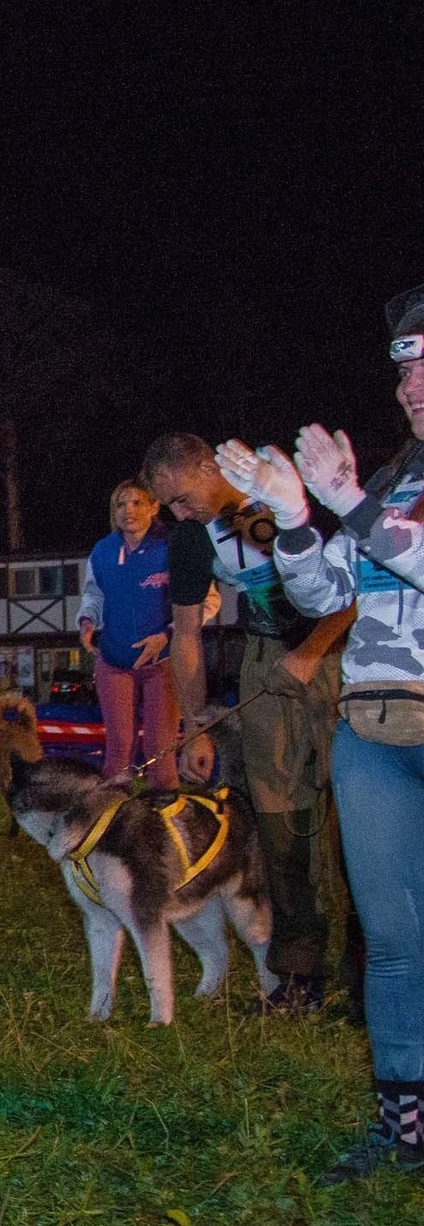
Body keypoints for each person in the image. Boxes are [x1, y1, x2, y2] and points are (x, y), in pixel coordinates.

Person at [224, 280, 424, 1179]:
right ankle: (404, 1127)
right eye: (404, 373)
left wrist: (344, 504)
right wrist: (299, 523)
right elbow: (321, 598)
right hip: (375, 734)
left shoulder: (372, 495)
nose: (411, 388)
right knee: (391, 937)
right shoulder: (390, 479)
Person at [144, 432, 359, 1015]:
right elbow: (186, 634)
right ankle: (297, 979)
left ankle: (371, 979)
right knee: (278, 819)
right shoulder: (192, 538)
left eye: (183, 499)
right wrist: (194, 725)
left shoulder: (266, 506)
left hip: (339, 655)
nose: (177, 515)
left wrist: (312, 653)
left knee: (358, 817)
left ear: (210, 470)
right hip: (265, 662)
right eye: (168, 506)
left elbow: (353, 590)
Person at [75, 480, 177, 787]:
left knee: (160, 749)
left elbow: (207, 602)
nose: (128, 511)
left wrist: (168, 635)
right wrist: (87, 620)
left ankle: (165, 818)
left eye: (136, 503)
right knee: (118, 747)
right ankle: (113, 820)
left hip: (162, 663)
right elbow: (94, 593)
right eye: (121, 504)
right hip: (114, 661)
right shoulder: (104, 550)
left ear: (153, 507)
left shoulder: (171, 546)